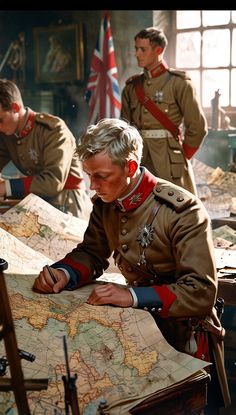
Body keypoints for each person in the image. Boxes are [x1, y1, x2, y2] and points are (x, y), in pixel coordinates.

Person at [33, 118, 230, 414]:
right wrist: (64, 273)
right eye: (88, 176)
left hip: (184, 338)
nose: (93, 186)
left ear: (131, 168)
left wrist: (133, 296)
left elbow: (201, 292)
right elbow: (91, 252)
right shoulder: (106, 202)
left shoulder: (182, 211)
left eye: (101, 176)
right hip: (137, 333)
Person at [121, 27, 208, 196]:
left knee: (176, 211)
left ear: (158, 50)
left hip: (170, 161)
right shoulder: (132, 87)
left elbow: (198, 128)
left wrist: (181, 157)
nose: (137, 54)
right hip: (139, 161)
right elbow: (124, 129)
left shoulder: (179, 83)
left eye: (142, 49)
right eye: (136, 49)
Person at [0, 79, 92, 220]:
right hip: (41, 205)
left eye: (0, 120)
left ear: (15, 107)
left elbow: (52, 181)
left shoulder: (53, 129)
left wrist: (6, 187)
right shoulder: (8, 134)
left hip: (68, 206)